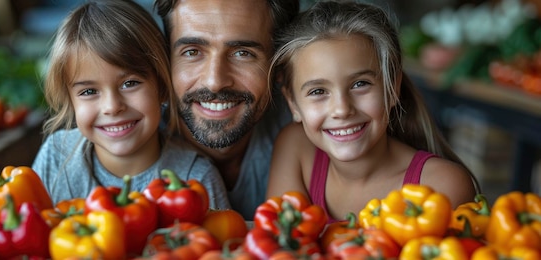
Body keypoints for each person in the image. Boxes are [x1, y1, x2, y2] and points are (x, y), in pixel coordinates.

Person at [266, 0, 480, 222]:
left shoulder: (441, 186)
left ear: (393, 86)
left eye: (360, 84)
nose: (342, 109)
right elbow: (279, 247)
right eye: (318, 91)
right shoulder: (295, 149)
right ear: (292, 103)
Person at [31, 0, 230, 210]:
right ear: (70, 100)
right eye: (89, 92)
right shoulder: (55, 158)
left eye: (130, 83)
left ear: (162, 87)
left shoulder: (196, 178)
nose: (112, 106)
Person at [153, 0, 300, 220]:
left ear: (279, 64)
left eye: (242, 53)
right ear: (167, 60)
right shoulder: (129, 139)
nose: (214, 81)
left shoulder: (312, 132)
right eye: (192, 52)